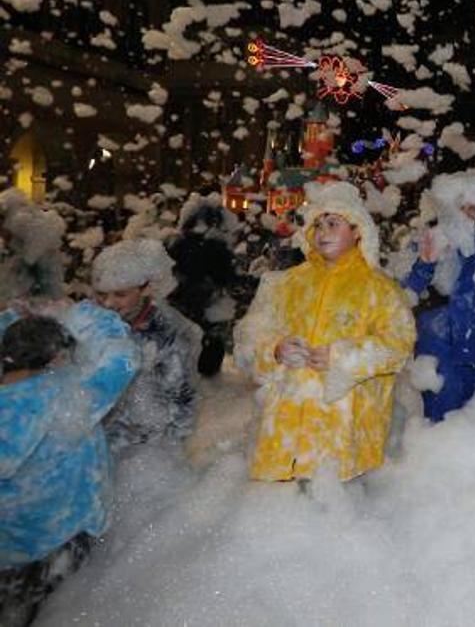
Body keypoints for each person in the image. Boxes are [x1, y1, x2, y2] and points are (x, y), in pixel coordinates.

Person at [234, 181, 414, 483]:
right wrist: (275, 350)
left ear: (357, 231)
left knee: (328, 514)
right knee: (281, 517)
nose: (322, 231)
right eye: (317, 224)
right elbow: (250, 336)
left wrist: (343, 356)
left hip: (342, 438)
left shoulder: (379, 289)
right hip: (283, 438)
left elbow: (399, 346)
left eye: (334, 223)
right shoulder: (288, 283)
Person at [1, 303, 137, 625]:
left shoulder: (9, 403)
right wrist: (85, 314)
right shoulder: (69, 395)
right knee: (57, 611)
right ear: (56, 358)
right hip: (61, 536)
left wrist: (10, 320)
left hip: (9, 541)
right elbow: (124, 357)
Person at [403, 172, 475, 421]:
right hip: (442, 344)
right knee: (443, 420)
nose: (470, 214)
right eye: (463, 207)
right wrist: (424, 264)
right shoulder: (432, 237)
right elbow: (407, 289)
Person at [90, 238, 200, 450]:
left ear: (146, 289)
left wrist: (169, 448)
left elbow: (183, 400)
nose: (108, 303)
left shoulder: (169, 333)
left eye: (120, 294)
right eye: (101, 295)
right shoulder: (95, 320)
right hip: (101, 438)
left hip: (145, 445)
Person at [166, 194, 251, 377]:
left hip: (179, 301)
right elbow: (226, 277)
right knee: (209, 345)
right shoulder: (217, 247)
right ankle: (206, 374)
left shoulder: (176, 243)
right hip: (207, 303)